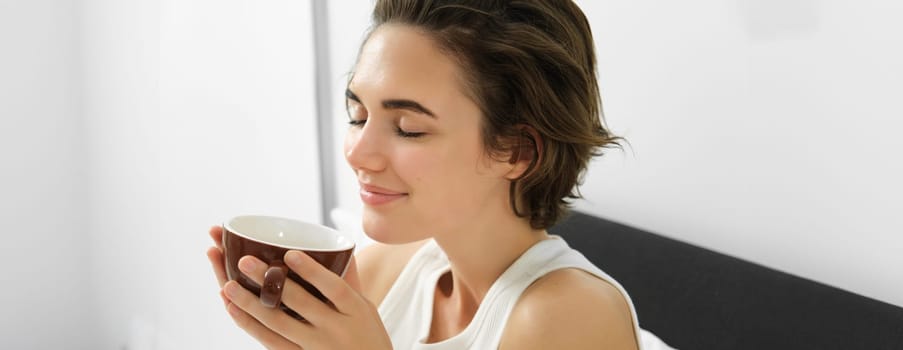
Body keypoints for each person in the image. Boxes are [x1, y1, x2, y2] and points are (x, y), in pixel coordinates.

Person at [207, 0, 668, 349]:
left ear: (515, 151)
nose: (359, 153)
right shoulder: (382, 270)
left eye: (408, 129)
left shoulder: (568, 318)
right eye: (357, 115)